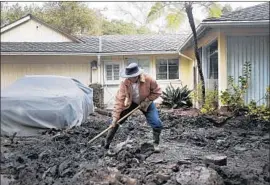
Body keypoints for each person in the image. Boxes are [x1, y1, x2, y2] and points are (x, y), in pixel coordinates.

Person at [102, 63, 163, 152]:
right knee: (116, 121)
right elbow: (119, 101)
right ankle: (106, 145)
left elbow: (157, 91)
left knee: (156, 123)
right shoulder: (124, 83)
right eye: (128, 77)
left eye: (132, 76)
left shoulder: (148, 79)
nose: (130, 79)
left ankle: (155, 144)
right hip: (132, 103)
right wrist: (115, 117)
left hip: (147, 103)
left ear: (137, 75)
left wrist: (147, 100)